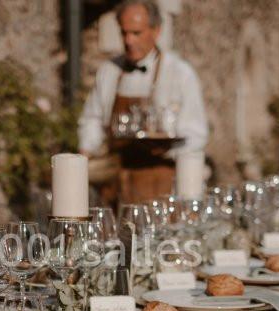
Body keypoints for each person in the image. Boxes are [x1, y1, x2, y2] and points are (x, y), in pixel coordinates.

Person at [78, 0, 208, 204]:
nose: (129, 40)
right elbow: (92, 118)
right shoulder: (109, 71)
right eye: (124, 33)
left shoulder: (180, 74)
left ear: (156, 31)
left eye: (136, 33)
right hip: (116, 181)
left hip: (160, 184)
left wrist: (165, 147)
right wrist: (85, 152)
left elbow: (196, 135)